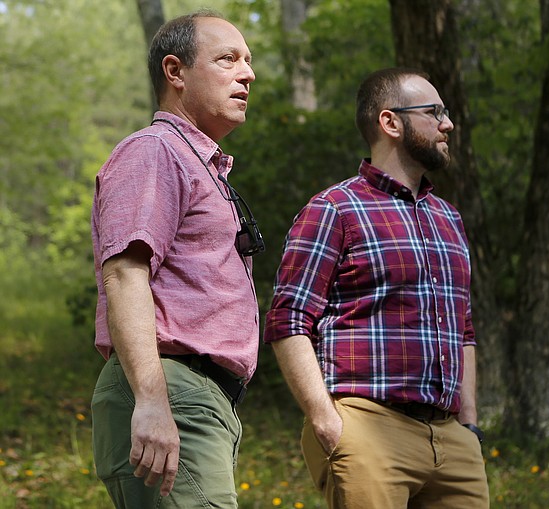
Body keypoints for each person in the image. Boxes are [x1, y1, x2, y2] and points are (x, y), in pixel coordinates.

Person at [263, 67, 490, 508]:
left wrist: (470, 424)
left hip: (451, 439)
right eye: (434, 112)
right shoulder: (333, 210)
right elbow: (288, 320)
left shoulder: (449, 218)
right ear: (391, 122)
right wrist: (325, 419)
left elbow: (463, 329)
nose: (449, 124)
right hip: (365, 426)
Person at [90, 10, 262, 508]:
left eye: (248, 61)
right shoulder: (155, 151)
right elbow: (124, 274)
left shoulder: (196, 162)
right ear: (175, 72)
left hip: (196, 397)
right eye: (228, 59)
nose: (247, 73)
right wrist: (151, 399)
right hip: (170, 386)